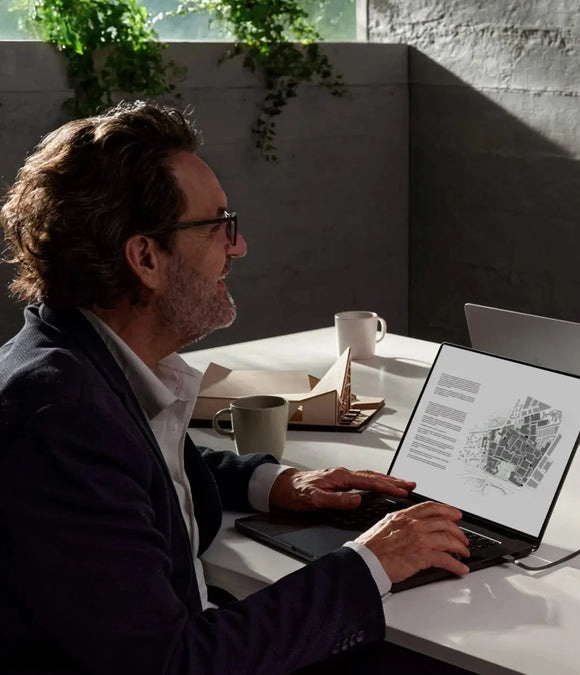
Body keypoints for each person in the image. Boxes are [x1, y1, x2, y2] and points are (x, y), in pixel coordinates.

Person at [0, 102, 471, 672]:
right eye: (218, 223)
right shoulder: (62, 419)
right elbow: (176, 664)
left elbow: (136, 472)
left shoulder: (80, 363)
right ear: (145, 257)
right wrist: (370, 561)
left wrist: (274, 482)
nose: (237, 245)